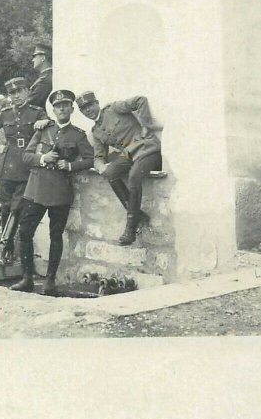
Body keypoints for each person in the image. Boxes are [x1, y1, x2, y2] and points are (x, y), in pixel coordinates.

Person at [10, 89, 93, 295]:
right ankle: (27, 278)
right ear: (53, 110)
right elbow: (26, 156)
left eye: (65, 105)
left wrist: (71, 165)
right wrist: (42, 159)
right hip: (35, 190)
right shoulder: (42, 130)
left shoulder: (78, 135)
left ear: (72, 109)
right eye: (57, 106)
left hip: (59, 192)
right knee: (25, 232)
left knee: (55, 236)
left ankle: (49, 281)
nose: (61, 109)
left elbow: (90, 159)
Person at [76, 92, 162, 246]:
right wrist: (101, 167)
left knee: (134, 176)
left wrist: (145, 125)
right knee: (111, 173)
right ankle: (138, 215)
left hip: (147, 148)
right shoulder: (96, 132)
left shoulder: (114, 108)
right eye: (83, 109)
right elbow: (98, 157)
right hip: (129, 155)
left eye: (90, 105)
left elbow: (140, 100)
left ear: (97, 103)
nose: (88, 110)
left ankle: (131, 227)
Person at [0, 77, 48, 266]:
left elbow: (49, 128)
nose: (16, 96)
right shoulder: (6, 113)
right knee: (6, 207)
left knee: (16, 208)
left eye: (19, 91)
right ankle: (8, 247)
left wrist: (45, 123)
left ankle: (4, 247)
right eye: (12, 93)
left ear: (27, 91)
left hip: (25, 167)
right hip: (6, 166)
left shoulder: (38, 113)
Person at [26, 43, 53, 109]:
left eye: (35, 56)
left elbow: (30, 104)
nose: (33, 60)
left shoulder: (45, 80)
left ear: (43, 58)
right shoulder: (47, 76)